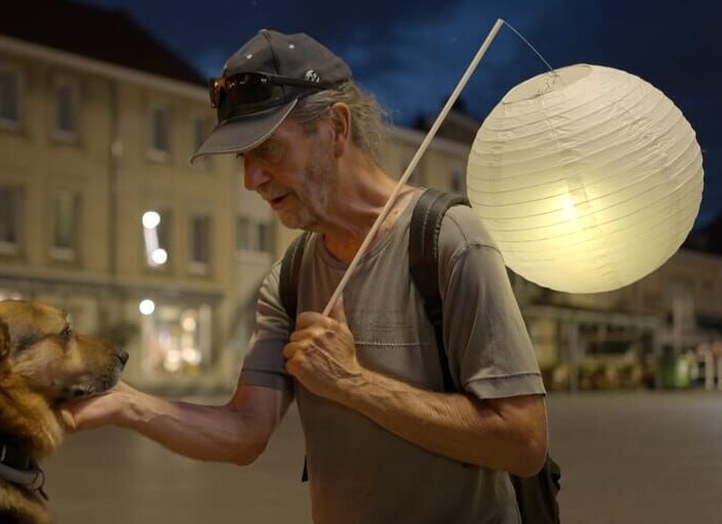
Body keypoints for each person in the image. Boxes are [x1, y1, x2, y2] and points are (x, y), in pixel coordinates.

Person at [64, 29, 548, 523]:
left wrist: (352, 383)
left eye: (267, 150)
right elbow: (244, 433)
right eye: (242, 159)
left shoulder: (451, 239)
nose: (251, 179)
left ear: (336, 129)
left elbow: (523, 441)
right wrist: (126, 405)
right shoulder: (290, 278)